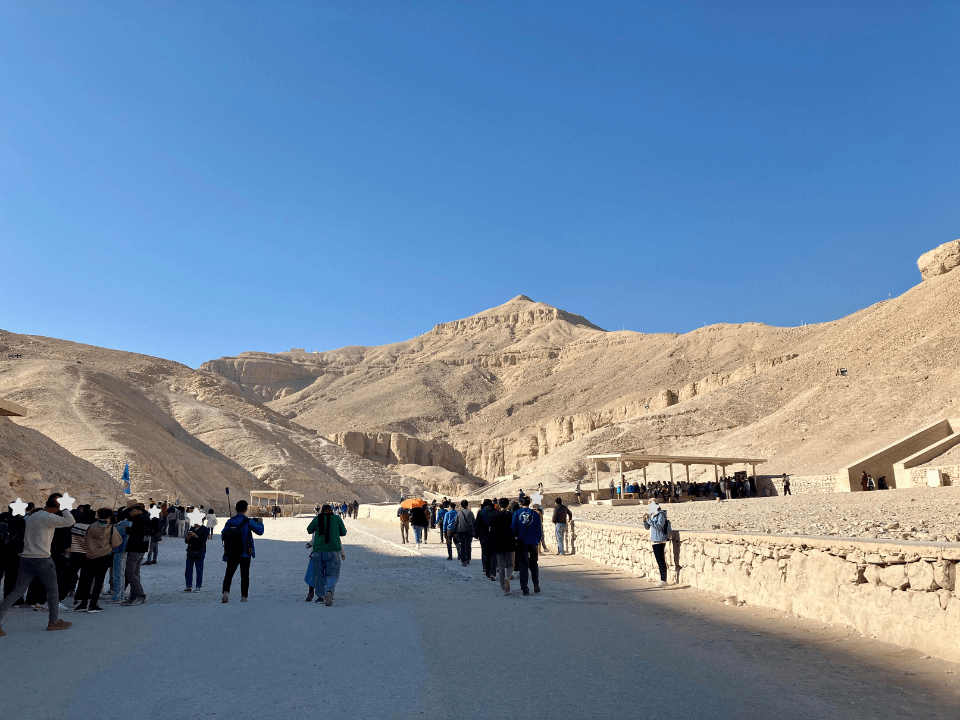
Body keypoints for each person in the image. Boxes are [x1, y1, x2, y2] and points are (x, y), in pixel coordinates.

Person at [0, 493, 76, 636]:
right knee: (53, 591)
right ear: (56, 505)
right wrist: (64, 507)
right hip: (42, 559)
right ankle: (53, 621)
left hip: (26, 558)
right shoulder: (47, 517)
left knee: (17, 591)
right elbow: (70, 521)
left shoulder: (33, 516)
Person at [73, 508, 123, 612]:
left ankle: (83, 603)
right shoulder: (111, 528)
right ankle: (93, 604)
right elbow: (117, 542)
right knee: (99, 581)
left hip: (90, 556)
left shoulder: (91, 527)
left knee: (87, 580)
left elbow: (85, 541)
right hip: (104, 556)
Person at [221, 501, 265, 603]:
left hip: (231, 552)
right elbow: (260, 531)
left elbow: (223, 534)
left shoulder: (230, 521)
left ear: (236, 509)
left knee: (229, 574)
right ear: (246, 509)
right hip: (245, 552)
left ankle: (225, 593)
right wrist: (260, 522)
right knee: (245, 575)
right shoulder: (248, 521)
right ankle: (244, 597)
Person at [307, 505, 347, 606]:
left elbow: (309, 530)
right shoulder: (337, 518)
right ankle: (329, 591)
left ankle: (320, 597)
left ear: (321, 511)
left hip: (318, 551)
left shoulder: (317, 518)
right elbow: (343, 532)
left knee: (318, 575)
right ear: (332, 510)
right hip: (333, 550)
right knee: (333, 573)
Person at [511, 497, 542, 596]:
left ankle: (525, 588)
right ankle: (536, 584)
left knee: (523, 564)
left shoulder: (517, 513)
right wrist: (538, 540)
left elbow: (513, 527)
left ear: (521, 503)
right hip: (533, 541)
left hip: (521, 542)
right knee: (534, 563)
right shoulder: (535, 514)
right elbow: (539, 529)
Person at [122, 504, 150, 605]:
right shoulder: (146, 518)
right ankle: (133, 596)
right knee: (135, 573)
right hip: (142, 548)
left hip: (135, 548)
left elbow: (135, 533)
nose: (130, 514)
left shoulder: (139, 519)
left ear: (134, 510)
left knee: (130, 573)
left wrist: (127, 529)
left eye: (130, 512)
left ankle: (140, 595)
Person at [643, 500, 672, 587]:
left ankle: (664, 580)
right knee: (658, 560)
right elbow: (648, 527)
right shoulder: (652, 515)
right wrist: (645, 521)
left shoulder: (661, 514)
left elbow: (659, 526)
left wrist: (649, 520)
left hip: (660, 539)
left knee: (661, 560)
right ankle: (662, 579)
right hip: (654, 540)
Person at [490, 498, 514, 596]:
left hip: (498, 544)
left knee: (500, 567)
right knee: (510, 564)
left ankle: (504, 588)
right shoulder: (511, 515)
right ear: (508, 505)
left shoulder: (495, 516)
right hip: (509, 543)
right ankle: (508, 578)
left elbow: (492, 531)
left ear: (499, 505)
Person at [108, 509, 131, 603]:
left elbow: (116, 538)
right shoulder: (128, 523)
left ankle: (117, 596)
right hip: (125, 550)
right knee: (121, 573)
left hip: (119, 550)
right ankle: (121, 593)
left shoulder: (122, 525)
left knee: (117, 574)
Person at [474, 500, 497, 580]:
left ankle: (487, 571)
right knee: (493, 554)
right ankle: (493, 573)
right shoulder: (496, 512)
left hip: (483, 536)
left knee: (485, 553)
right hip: (494, 536)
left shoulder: (481, 513)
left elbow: (477, 524)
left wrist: (476, 535)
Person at [183, 518, 209, 592]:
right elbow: (186, 541)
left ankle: (198, 586)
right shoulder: (192, 528)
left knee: (199, 569)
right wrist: (188, 537)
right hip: (190, 550)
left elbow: (203, 542)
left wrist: (196, 536)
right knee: (188, 569)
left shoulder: (204, 529)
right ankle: (188, 586)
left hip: (200, 551)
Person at [454, 500, 475, 566]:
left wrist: (455, 532)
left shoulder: (459, 513)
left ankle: (463, 560)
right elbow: (474, 522)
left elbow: (456, 523)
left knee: (462, 546)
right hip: (468, 531)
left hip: (461, 531)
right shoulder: (470, 513)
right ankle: (468, 559)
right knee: (468, 545)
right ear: (467, 505)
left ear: (461, 505)